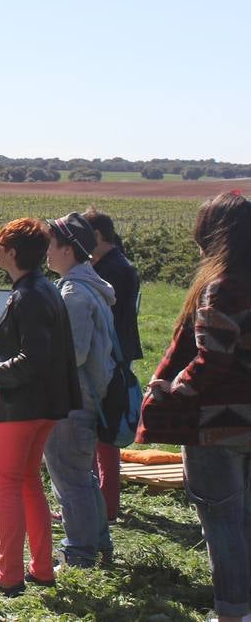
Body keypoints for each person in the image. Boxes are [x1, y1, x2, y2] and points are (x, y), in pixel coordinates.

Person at [138, 191, 251, 622]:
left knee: (221, 521)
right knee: (245, 520)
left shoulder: (222, 286)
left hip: (216, 425)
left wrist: (170, 388)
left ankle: (231, 611)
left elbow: (210, 361)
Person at [0, 218, 81, 597]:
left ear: (10, 252)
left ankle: (9, 576)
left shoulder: (28, 294)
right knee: (27, 482)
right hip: (46, 405)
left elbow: (32, 358)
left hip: (19, 405)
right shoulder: (46, 288)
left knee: (4, 486)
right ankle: (41, 567)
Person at [43, 212, 116, 569]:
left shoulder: (73, 293)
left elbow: (73, 353)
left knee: (69, 480)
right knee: (83, 478)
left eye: (51, 244)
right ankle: (98, 544)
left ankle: (79, 554)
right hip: (88, 397)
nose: (47, 252)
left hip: (72, 399)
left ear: (69, 249)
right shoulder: (89, 286)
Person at [82, 205, 143, 522]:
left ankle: (104, 505)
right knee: (102, 430)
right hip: (116, 355)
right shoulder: (114, 263)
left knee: (103, 431)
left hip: (109, 357)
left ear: (95, 235)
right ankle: (102, 502)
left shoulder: (112, 269)